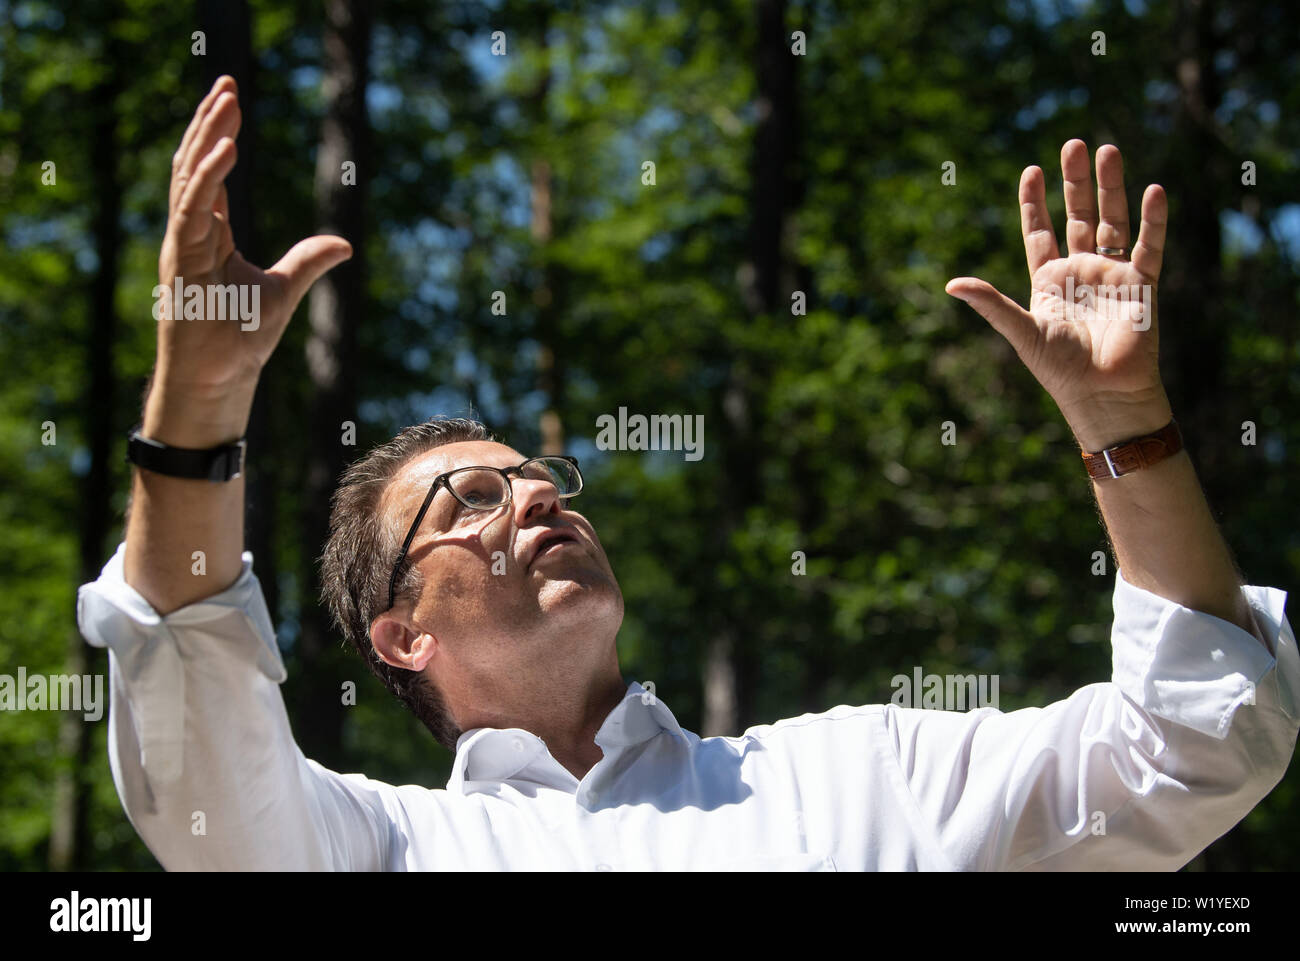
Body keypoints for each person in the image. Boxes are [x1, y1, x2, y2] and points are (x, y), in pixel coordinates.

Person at [78, 76, 1297, 871]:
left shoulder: (855, 773)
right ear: (399, 637)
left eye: (541, 473)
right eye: (471, 499)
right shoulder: (386, 845)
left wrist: (1124, 428)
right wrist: (196, 405)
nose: (541, 494)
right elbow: (199, 775)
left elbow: (1195, 746)